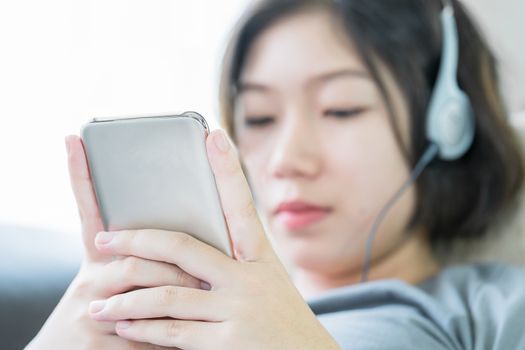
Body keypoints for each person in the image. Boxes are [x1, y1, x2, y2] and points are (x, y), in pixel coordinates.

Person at [27, 0, 525, 349]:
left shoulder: (492, 308)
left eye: (341, 109)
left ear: (444, 126)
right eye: (260, 119)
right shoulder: (163, 308)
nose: (285, 159)